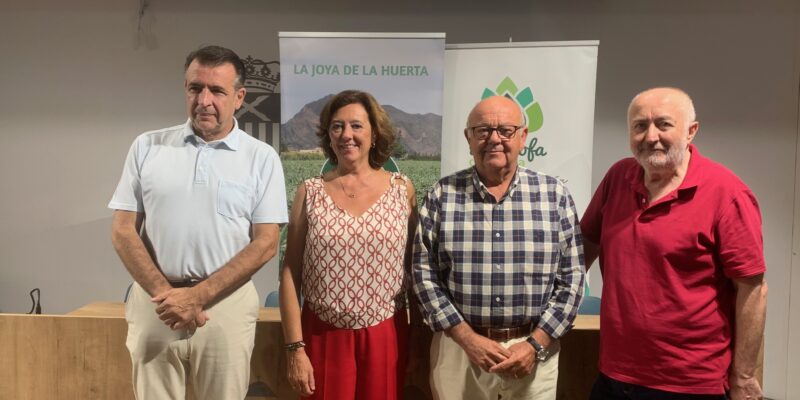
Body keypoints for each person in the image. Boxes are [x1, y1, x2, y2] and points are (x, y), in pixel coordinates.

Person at [109, 45, 287, 399]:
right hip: (157, 303)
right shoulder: (147, 146)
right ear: (185, 89)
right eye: (195, 88)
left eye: (217, 90)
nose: (204, 100)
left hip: (226, 305)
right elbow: (122, 230)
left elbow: (266, 242)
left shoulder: (261, 158)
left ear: (239, 97)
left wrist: (198, 296)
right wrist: (169, 295)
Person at [581, 87, 768, 400]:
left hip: (689, 384)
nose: (651, 136)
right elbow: (583, 247)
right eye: (639, 126)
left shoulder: (727, 194)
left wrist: (744, 377)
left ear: (691, 131)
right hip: (614, 376)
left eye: (663, 124)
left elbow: (753, 290)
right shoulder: (618, 178)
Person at [412, 95, 585, 400]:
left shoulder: (554, 195)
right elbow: (423, 274)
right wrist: (467, 338)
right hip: (459, 352)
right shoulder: (442, 195)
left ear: (523, 137)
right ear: (468, 138)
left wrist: (535, 344)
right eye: (482, 131)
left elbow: (571, 279)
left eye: (505, 130)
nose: (494, 139)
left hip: (534, 354)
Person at [279, 90, 417, 400]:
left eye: (356, 125)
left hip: (386, 333)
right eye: (337, 126)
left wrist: (418, 339)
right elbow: (290, 272)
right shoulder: (310, 192)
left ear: (374, 133)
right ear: (328, 135)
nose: (346, 135)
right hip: (322, 333)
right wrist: (295, 348)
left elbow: (414, 271)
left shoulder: (402, 190)